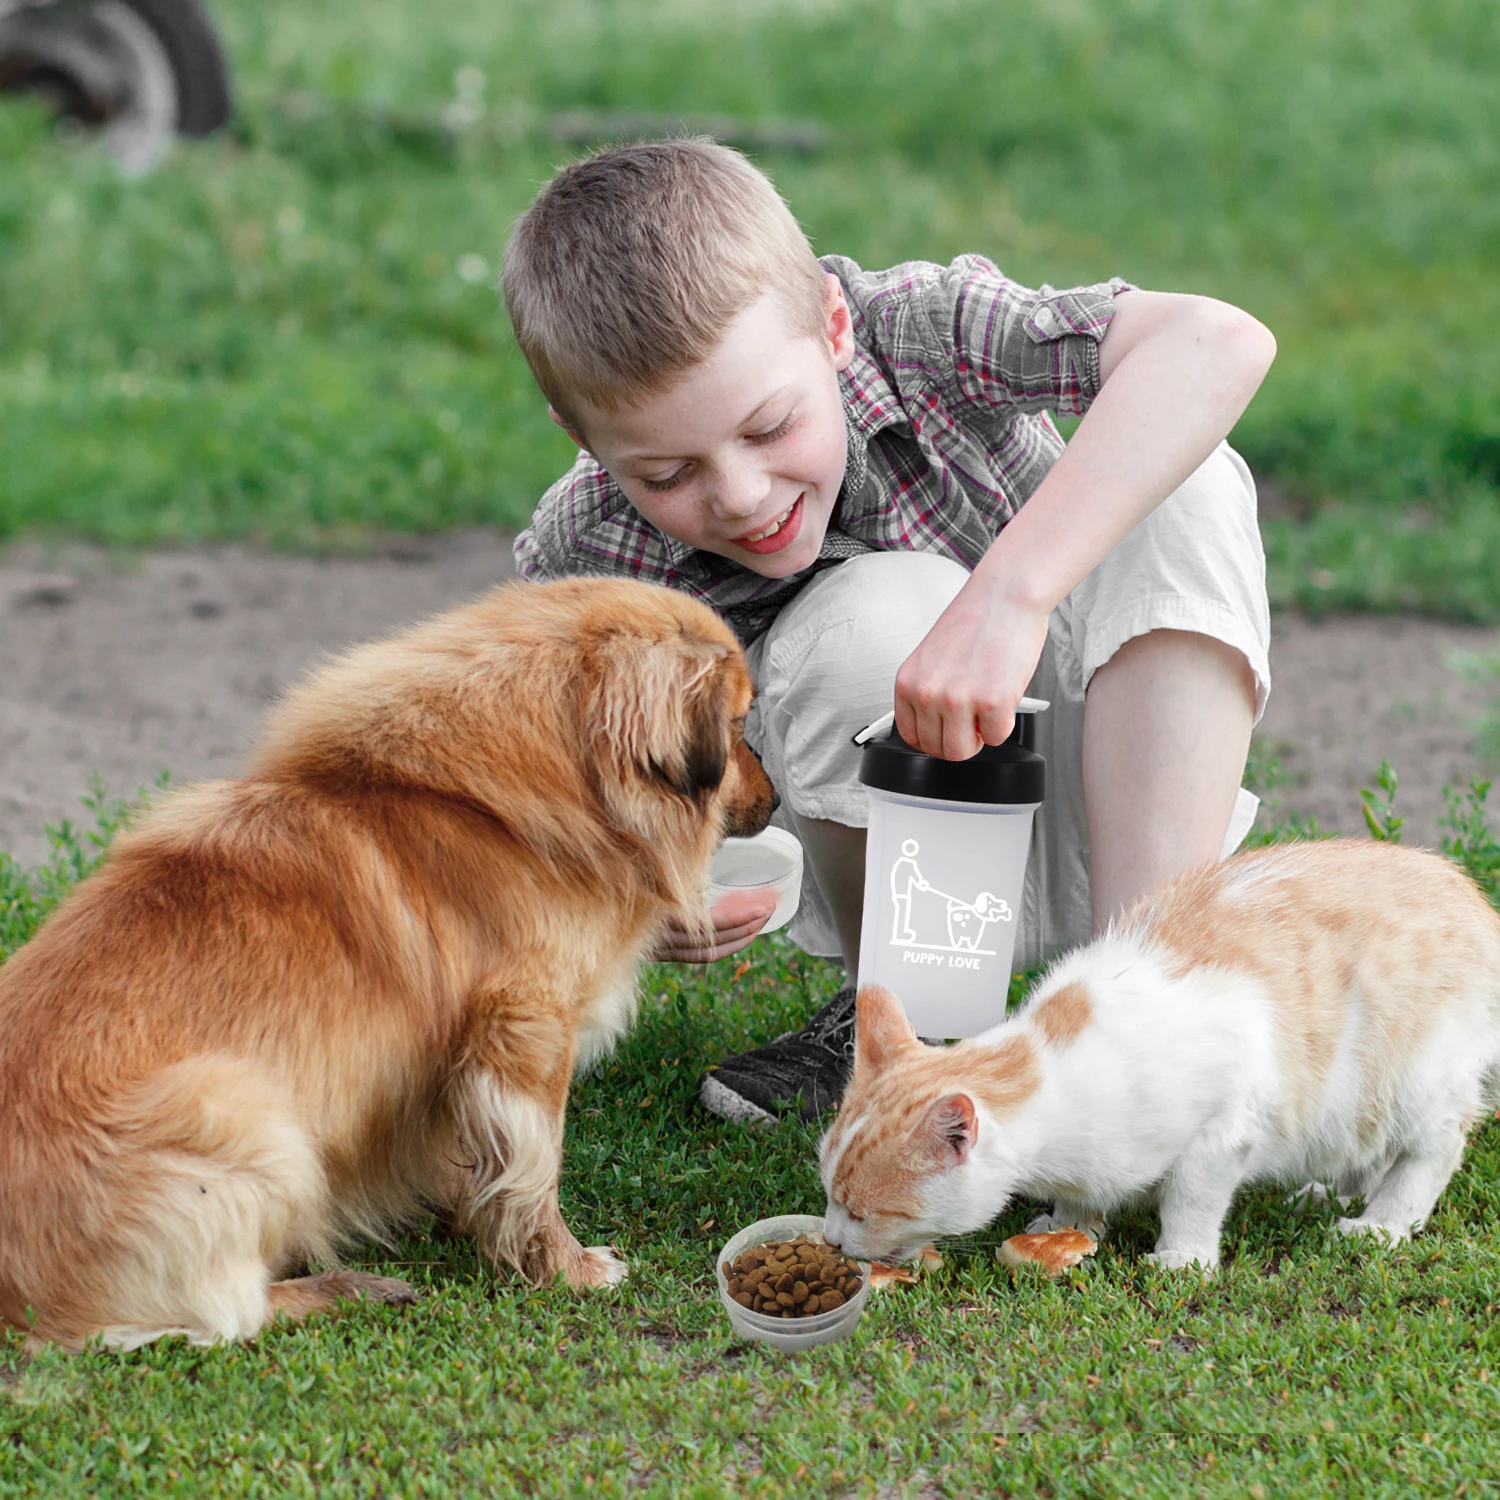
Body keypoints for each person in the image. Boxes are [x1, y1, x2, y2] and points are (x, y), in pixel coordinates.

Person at [502, 138, 1274, 1124]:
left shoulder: (916, 330)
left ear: (832, 325)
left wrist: (1010, 597)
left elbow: (1217, 343)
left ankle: (1151, 995)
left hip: (1120, 813)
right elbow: (521, 800)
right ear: (582, 437)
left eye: (769, 426)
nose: (740, 496)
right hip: (906, 891)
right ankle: (908, 1023)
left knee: (1188, 478)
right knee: (865, 610)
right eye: (667, 475)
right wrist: (621, 896)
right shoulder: (586, 550)